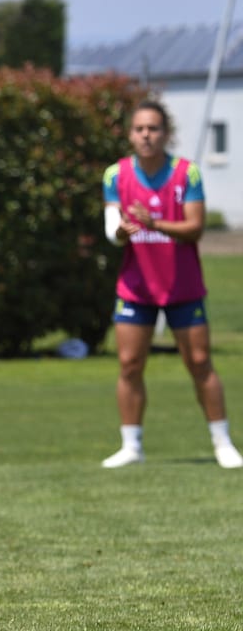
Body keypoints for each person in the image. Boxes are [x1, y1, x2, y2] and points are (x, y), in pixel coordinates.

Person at [100, 99, 243, 469]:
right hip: (136, 286)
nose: (146, 135)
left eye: (154, 128)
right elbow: (112, 230)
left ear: (166, 134)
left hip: (182, 285)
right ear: (130, 134)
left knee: (199, 362)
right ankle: (131, 445)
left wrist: (155, 224)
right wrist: (120, 231)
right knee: (130, 364)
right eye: (140, 129)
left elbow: (194, 229)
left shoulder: (187, 174)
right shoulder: (116, 175)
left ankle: (222, 442)